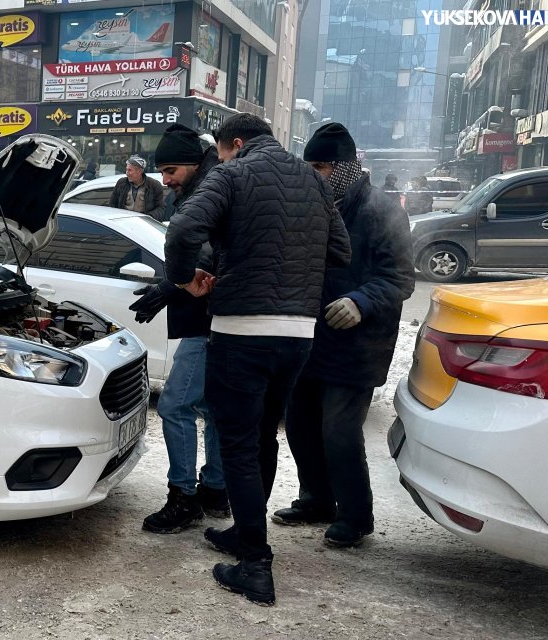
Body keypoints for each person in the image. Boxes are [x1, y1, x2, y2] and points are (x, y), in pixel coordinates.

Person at [164, 113, 350, 606]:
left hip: (243, 330)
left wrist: (187, 279)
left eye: (221, 151)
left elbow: (183, 230)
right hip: (298, 336)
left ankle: (254, 564)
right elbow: (341, 251)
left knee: (239, 443)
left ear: (236, 143)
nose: (220, 159)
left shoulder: (233, 173)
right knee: (263, 434)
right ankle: (243, 531)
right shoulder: (312, 178)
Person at [276, 123, 414, 548]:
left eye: (320, 166)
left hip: (357, 344)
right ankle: (316, 500)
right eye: (310, 165)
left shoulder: (381, 211)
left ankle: (356, 515)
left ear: (343, 167)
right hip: (309, 338)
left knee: (339, 432)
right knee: (300, 425)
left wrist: (360, 301)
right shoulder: (312, 204)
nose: (314, 173)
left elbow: (401, 278)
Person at [131, 124, 227, 534]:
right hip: (218, 319)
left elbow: (202, 254)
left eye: (170, 170)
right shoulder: (209, 182)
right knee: (213, 409)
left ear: (192, 163)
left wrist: (170, 285)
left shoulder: (208, 190)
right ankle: (216, 490)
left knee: (174, 406)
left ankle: (183, 497)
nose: (164, 179)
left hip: (206, 322)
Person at [107, 155, 165, 220]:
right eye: (126, 170)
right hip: (123, 224)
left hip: (144, 225)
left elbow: (161, 208)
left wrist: (148, 218)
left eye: (130, 170)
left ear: (139, 171)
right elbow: (112, 204)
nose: (127, 173)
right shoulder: (121, 183)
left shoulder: (154, 185)